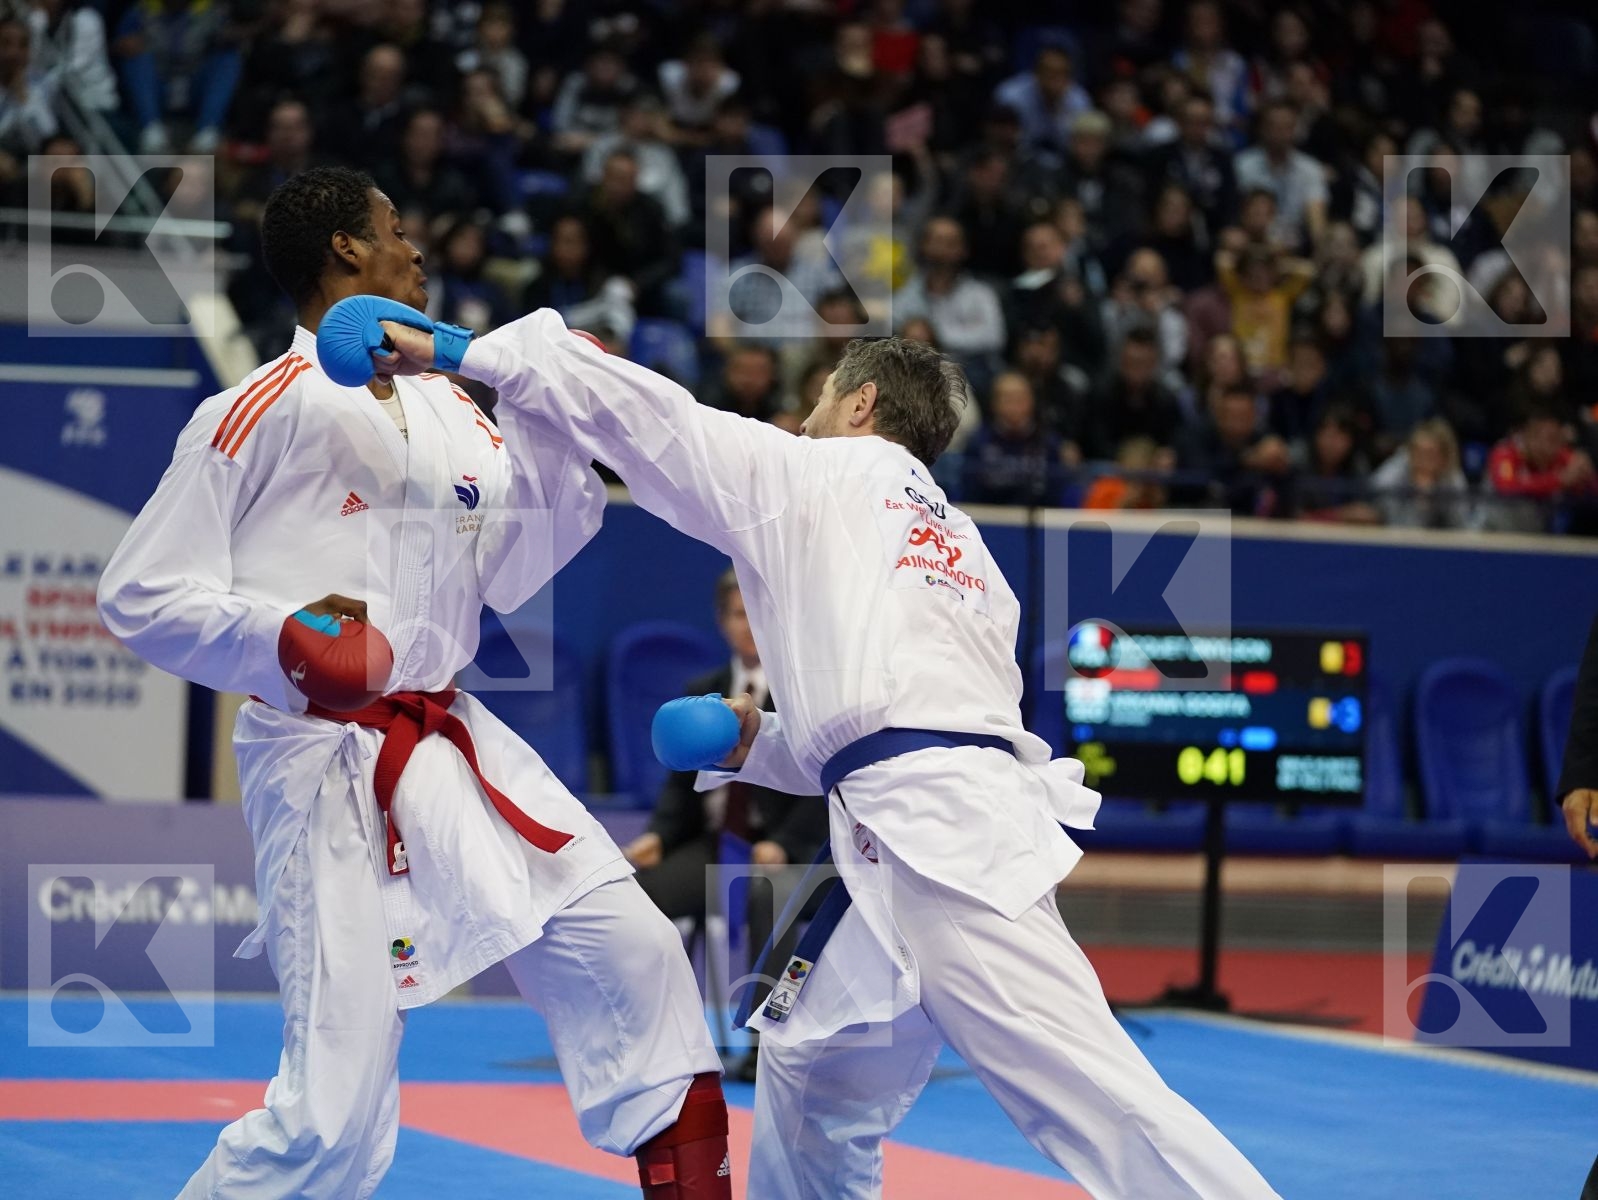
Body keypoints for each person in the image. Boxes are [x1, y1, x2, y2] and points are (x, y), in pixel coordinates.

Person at [373, 310, 1283, 1199]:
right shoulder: (964, 550)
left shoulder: (816, 474)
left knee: (1094, 1098)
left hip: (943, 847)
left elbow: (653, 420)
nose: (806, 410)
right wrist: (753, 739)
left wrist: (465, 351)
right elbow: (882, 727)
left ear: (862, 403)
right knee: (807, 1072)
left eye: (821, 393)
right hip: (906, 819)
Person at [96, 166, 730, 1200]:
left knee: (633, 954)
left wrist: (547, 413)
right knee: (332, 1120)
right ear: (345, 251)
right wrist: (283, 638)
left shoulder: (448, 407)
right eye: (395, 230)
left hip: (450, 736)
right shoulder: (258, 407)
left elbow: (516, 561)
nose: (418, 250)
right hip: (317, 757)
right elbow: (140, 592)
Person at [624, 568, 829, 1083]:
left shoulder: (806, 693)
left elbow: (823, 784)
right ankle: (647, 1041)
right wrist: (659, 837)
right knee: (635, 899)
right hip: (716, 844)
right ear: (723, 624)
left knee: (765, 894)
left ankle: (766, 1047)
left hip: (790, 852)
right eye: (740, 614)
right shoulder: (704, 691)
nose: (750, 626)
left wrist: (783, 843)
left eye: (759, 615)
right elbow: (679, 787)